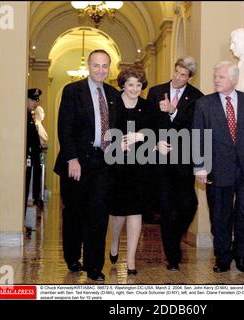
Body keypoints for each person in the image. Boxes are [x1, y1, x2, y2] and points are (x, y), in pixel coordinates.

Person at [193, 61, 244, 273]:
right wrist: (200, 165)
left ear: (234, 79)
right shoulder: (204, 104)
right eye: (216, 76)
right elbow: (198, 136)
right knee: (220, 215)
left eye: (222, 77)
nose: (216, 80)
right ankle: (223, 258)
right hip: (217, 168)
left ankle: (242, 256)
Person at [54, 49, 120, 282]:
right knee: (75, 214)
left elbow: (118, 127)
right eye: (96, 65)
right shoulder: (73, 91)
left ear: (109, 67)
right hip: (78, 162)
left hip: (103, 162)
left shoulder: (113, 94)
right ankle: (72, 257)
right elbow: (65, 127)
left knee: (99, 215)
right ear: (89, 67)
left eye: (104, 66)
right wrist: (71, 158)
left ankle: (94, 266)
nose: (100, 70)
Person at [147, 56, 204, 271]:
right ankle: (172, 255)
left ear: (190, 77)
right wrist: (154, 143)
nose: (178, 78)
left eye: (183, 75)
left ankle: (174, 237)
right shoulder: (155, 91)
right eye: (176, 72)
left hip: (183, 161)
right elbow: (148, 124)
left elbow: (195, 128)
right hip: (160, 160)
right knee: (166, 207)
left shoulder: (197, 97)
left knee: (189, 205)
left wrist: (174, 111)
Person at [109, 67, 153, 275]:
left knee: (136, 211)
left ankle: (131, 259)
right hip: (115, 165)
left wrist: (141, 136)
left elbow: (158, 133)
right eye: (130, 84)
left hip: (139, 166)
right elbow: (104, 132)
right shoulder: (112, 104)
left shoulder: (147, 107)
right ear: (122, 85)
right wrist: (118, 144)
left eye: (138, 85)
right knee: (118, 214)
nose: (135, 89)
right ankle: (115, 242)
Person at [25, 88, 43, 235]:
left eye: (36, 100)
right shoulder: (25, 116)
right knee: (26, 190)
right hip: (29, 158)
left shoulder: (29, 116)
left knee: (29, 190)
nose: (35, 103)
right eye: (33, 100)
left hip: (33, 159)